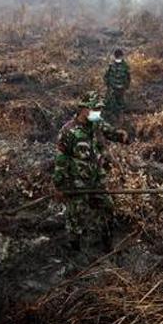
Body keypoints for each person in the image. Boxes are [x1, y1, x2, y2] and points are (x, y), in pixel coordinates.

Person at [53, 91, 129, 252]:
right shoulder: (68, 131)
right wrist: (59, 186)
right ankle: (74, 250)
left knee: (107, 208)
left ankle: (107, 245)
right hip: (77, 183)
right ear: (84, 109)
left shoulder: (95, 120)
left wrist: (120, 136)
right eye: (95, 109)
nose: (98, 113)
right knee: (76, 217)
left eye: (99, 110)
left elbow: (108, 130)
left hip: (97, 178)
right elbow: (61, 160)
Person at [103, 49, 131, 120]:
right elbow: (128, 78)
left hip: (117, 89)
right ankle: (116, 119)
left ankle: (119, 119)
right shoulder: (122, 66)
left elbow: (128, 77)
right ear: (121, 56)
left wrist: (108, 85)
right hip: (115, 89)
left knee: (118, 104)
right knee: (113, 105)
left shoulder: (121, 66)